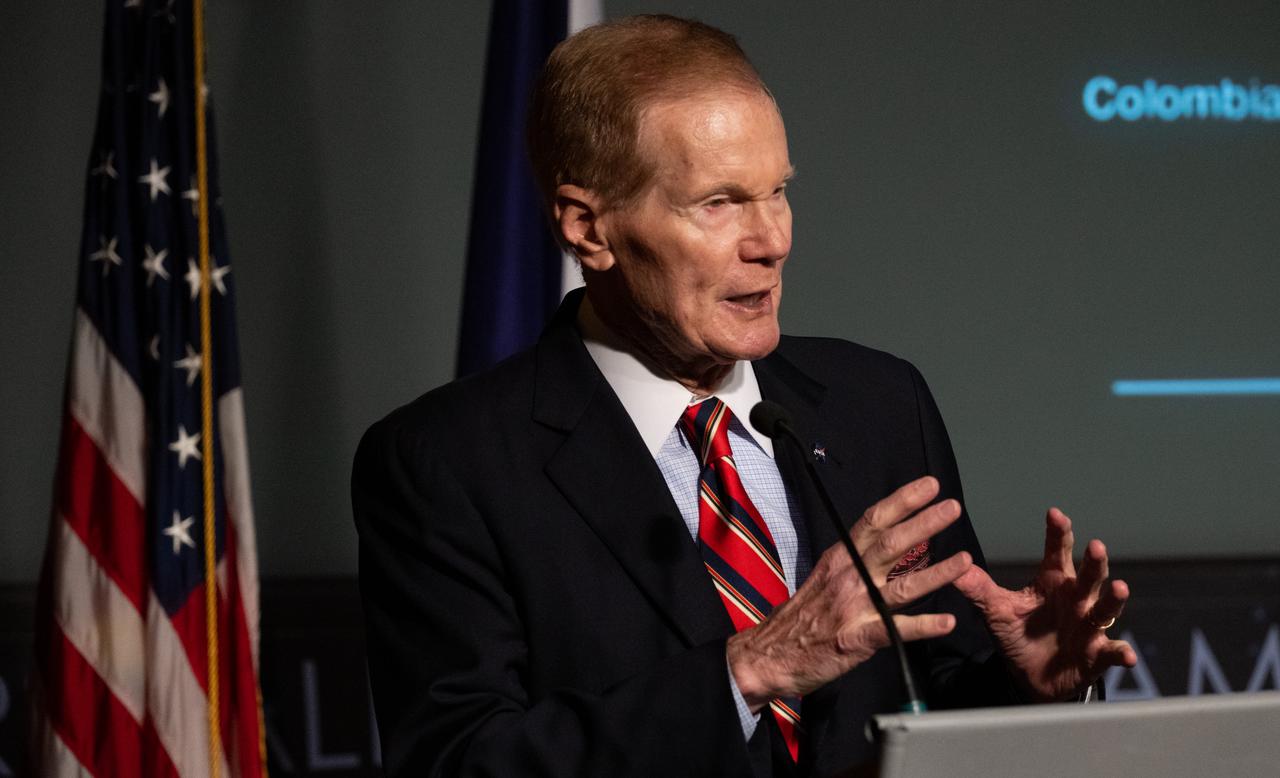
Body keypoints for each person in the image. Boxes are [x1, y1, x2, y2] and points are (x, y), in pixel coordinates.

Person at [352, 15, 1137, 777]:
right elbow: (460, 761)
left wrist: (1029, 690)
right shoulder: (447, 463)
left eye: (778, 192)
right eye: (719, 203)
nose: (772, 240)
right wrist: (754, 667)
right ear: (587, 227)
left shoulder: (878, 403)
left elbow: (928, 707)